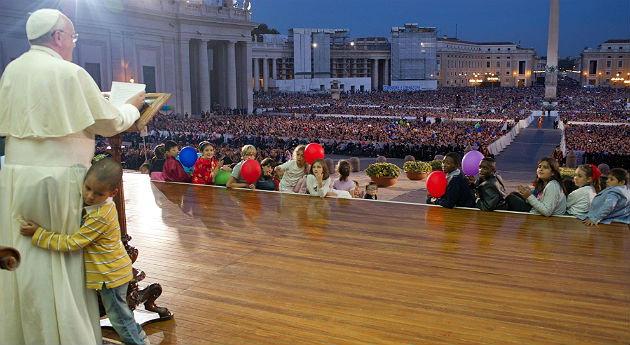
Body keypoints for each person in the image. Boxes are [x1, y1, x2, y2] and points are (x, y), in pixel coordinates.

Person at [0, 9, 145, 344]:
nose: (73, 46)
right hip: (58, 180)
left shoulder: (12, 70)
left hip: (15, 176)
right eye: (72, 39)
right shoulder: (69, 72)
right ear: (59, 37)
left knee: (25, 262)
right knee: (59, 266)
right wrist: (133, 105)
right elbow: (108, 122)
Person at [18, 158, 147, 345]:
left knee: (119, 318)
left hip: (109, 276)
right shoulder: (101, 206)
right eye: (87, 188)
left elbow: (73, 243)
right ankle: (141, 338)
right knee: (123, 313)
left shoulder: (100, 216)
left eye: (98, 193)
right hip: (113, 271)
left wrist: (39, 234)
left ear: (113, 193)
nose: (89, 196)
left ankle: (138, 343)